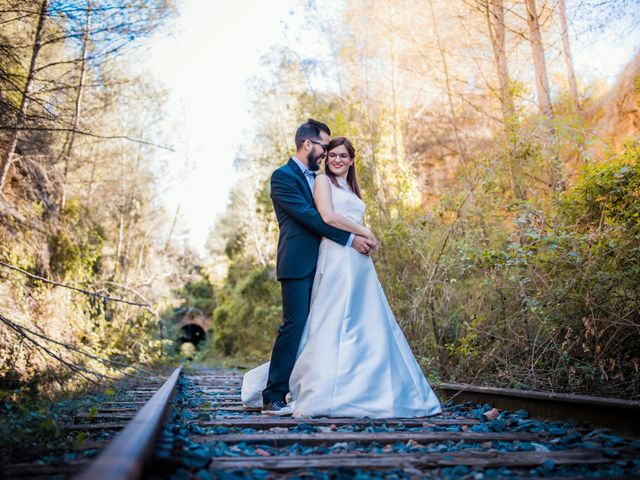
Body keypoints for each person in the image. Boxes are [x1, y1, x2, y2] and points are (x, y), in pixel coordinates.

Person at [243, 133, 441, 418]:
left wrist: (362, 238)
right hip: (335, 256)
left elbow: (347, 216)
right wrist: (365, 233)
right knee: (326, 319)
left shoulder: (349, 187)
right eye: (331, 153)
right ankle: (286, 390)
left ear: (351, 160)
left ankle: (365, 385)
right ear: (318, 151)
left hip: (358, 262)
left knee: (366, 320)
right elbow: (327, 217)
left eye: (342, 155)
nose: (335, 159)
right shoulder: (317, 181)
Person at [259, 119, 376, 416]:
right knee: (294, 325)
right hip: (298, 262)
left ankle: (311, 387)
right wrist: (352, 238)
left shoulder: (322, 178)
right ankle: (273, 394)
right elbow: (311, 217)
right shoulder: (283, 177)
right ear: (308, 144)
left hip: (328, 262)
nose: (327, 154)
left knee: (321, 328)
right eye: (324, 146)